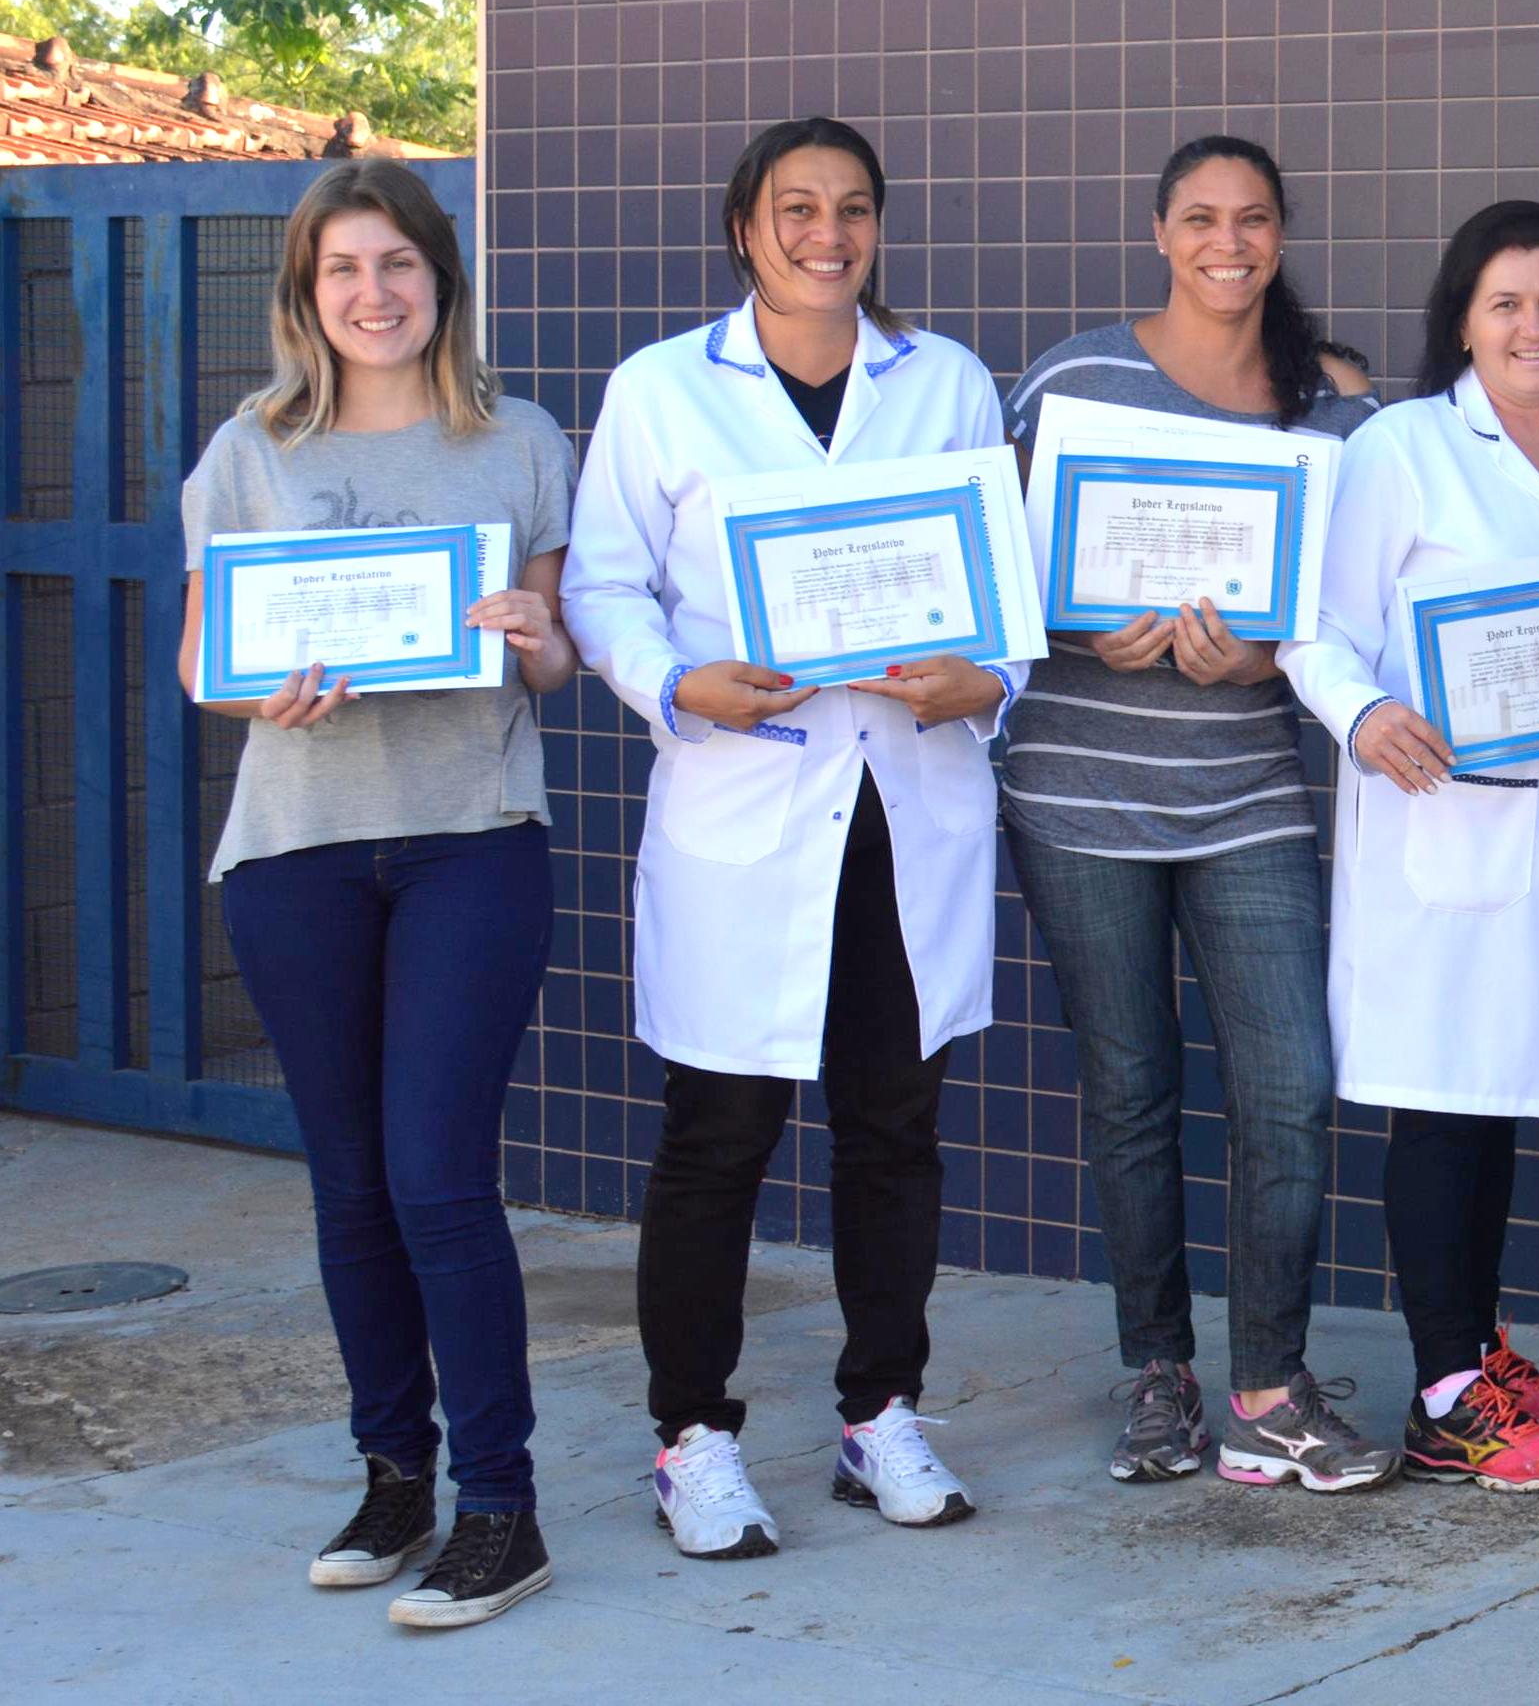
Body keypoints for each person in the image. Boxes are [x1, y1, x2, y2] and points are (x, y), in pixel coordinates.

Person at [562, 116, 1021, 1559]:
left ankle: (879, 1412)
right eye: (797, 209)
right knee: (721, 1136)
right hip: (747, 797)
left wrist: (987, 678)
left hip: (905, 803)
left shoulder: (941, 381)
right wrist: (672, 682)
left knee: (894, 1129)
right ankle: (691, 1435)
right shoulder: (660, 392)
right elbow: (602, 587)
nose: (829, 234)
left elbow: (1001, 594)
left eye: (854, 210)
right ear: (745, 229)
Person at [173, 158, 576, 1632]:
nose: (374, 292)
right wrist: (255, 695)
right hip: (297, 851)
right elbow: (204, 663)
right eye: (344, 269)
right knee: (349, 1186)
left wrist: (537, 632)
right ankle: (393, 1474)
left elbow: (556, 654)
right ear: (307, 293)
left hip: (471, 836)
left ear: (439, 282)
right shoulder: (249, 452)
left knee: (437, 1176)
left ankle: (503, 1506)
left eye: (398, 264)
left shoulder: (518, 439)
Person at [999, 137, 1394, 1493]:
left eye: (1255, 219)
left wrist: (1271, 656)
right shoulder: (1072, 379)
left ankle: (1271, 1386)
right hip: (1079, 794)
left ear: (1280, 234)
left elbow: (1355, 606)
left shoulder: (1333, 402)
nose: (1229, 242)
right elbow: (993, 580)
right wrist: (1073, 623)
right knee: (1134, 1095)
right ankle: (1159, 1376)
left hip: (1249, 797)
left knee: (1291, 1087)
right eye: (1202, 219)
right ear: (1160, 230)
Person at [1286, 201, 1539, 1491]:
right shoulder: (1404, 447)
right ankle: (1447, 1397)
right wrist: (1368, 713)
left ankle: (1476, 1349)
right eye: (1505, 302)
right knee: (1443, 1107)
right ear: (1461, 318)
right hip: (1444, 822)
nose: (1533, 325)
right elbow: (1316, 630)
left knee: (1495, 1098)